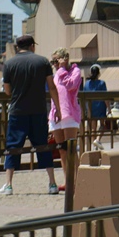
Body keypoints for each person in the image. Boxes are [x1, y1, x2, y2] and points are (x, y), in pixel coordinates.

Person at [0, 35, 61, 195]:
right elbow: (51, 87)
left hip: (18, 111)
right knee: (43, 146)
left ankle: (9, 185)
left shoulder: (9, 63)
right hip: (38, 110)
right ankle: (52, 183)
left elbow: (7, 91)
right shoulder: (43, 62)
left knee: (13, 146)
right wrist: (58, 109)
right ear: (32, 45)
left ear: (18, 47)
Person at [48, 48, 82, 190]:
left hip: (70, 114)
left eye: (56, 61)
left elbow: (70, 85)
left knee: (71, 149)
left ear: (65, 59)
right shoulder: (56, 74)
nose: (54, 64)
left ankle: (78, 180)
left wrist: (61, 70)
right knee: (62, 150)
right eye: (53, 61)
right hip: (56, 114)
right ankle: (68, 181)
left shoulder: (75, 71)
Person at [82, 64, 110, 149]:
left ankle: (94, 145)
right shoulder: (102, 83)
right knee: (103, 125)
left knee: (93, 128)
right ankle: (97, 140)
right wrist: (109, 108)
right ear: (98, 73)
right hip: (100, 106)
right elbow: (105, 97)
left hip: (90, 107)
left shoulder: (86, 84)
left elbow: (84, 97)